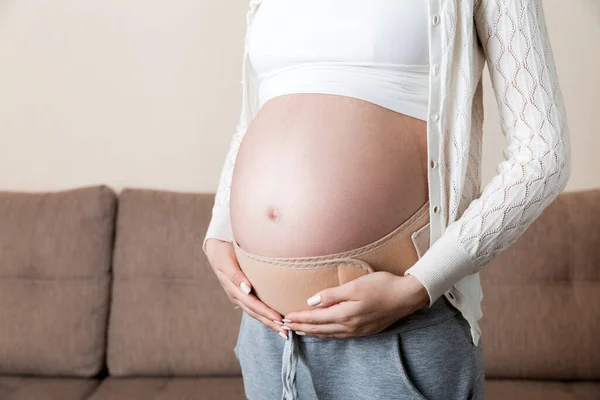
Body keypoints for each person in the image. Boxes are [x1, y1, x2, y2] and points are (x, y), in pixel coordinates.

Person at [203, 0, 571, 399]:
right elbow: (256, 112)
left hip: (400, 330)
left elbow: (544, 154)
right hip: (270, 336)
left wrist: (418, 286)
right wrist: (218, 231)